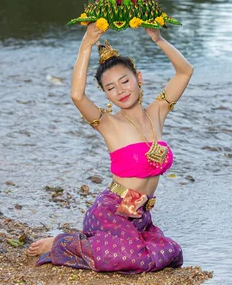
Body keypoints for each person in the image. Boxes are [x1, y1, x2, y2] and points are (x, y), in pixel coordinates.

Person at [27, 23, 193, 273]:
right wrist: (87, 43)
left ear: (138, 79)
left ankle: (96, 242)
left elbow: (185, 72)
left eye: (124, 81)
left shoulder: (157, 112)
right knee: (137, 259)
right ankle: (62, 242)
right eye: (111, 88)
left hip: (139, 214)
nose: (120, 91)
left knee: (171, 253)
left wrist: (159, 39)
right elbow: (77, 96)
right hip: (111, 211)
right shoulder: (108, 124)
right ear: (106, 94)